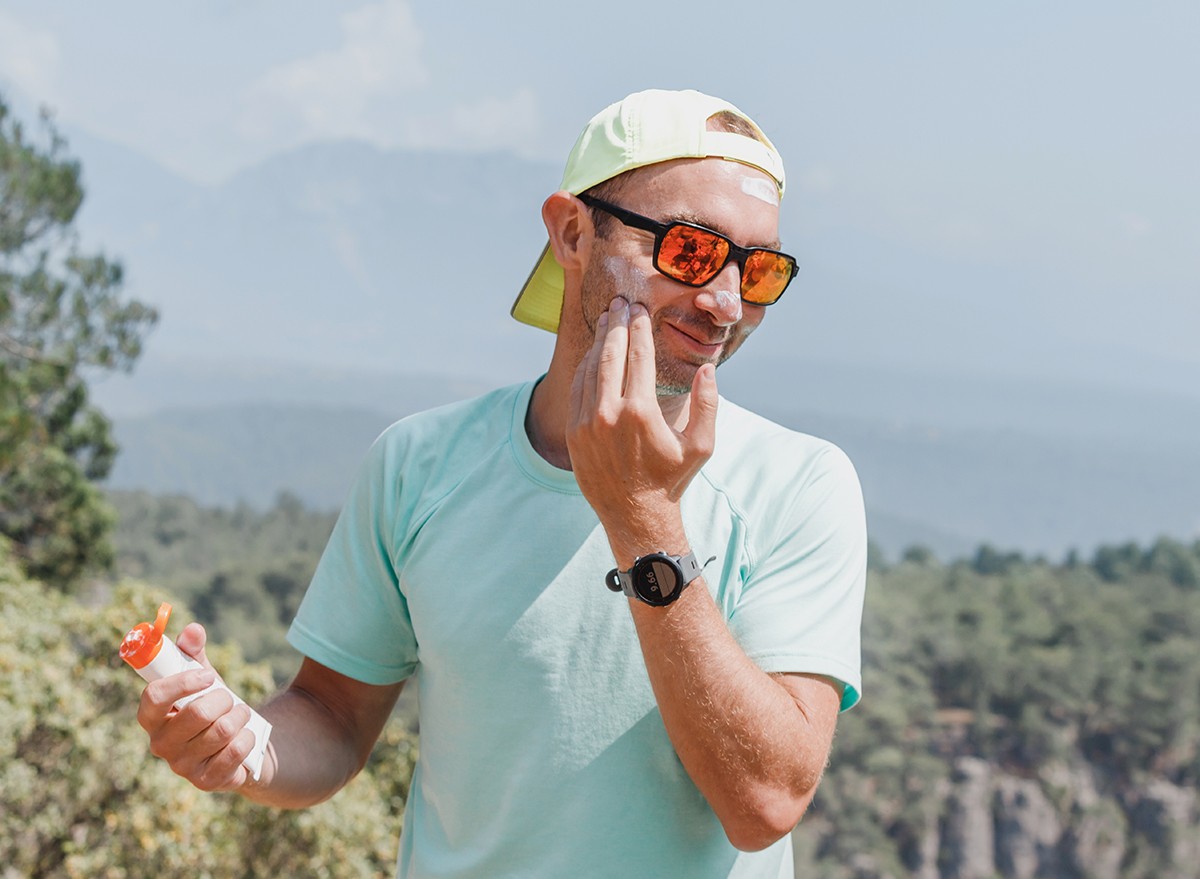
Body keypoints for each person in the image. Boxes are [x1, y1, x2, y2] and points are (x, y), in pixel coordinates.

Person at [136, 88, 868, 878]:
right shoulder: (419, 464)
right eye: (691, 251)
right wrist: (240, 739)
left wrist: (643, 517)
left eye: (758, 271)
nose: (726, 301)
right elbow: (332, 717)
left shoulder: (801, 484)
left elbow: (764, 802)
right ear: (572, 232)